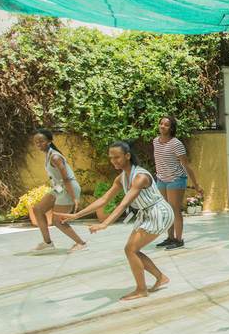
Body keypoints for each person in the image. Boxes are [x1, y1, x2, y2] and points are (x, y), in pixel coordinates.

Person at [56, 140, 173, 300]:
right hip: (146, 213)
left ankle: (141, 289)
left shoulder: (140, 177)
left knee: (131, 250)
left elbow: (124, 203)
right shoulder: (122, 178)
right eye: (111, 157)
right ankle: (161, 278)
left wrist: (105, 224)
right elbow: (104, 199)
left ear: (127, 156)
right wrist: (76, 215)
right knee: (132, 250)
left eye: (116, 157)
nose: (113, 161)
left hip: (159, 213)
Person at [29, 128, 87, 253]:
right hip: (59, 187)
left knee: (57, 221)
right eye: (36, 142)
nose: (38, 144)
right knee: (38, 210)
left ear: (49, 141)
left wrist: (73, 198)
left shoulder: (55, 156)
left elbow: (66, 178)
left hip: (68, 187)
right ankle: (47, 243)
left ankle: (81, 243)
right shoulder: (48, 155)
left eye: (41, 141)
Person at [152, 116, 203, 249]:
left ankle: (179, 240)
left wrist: (196, 184)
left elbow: (186, 165)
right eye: (161, 123)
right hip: (162, 179)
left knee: (174, 209)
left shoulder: (176, 144)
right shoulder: (155, 141)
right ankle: (170, 238)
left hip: (176, 179)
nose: (162, 126)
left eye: (166, 125)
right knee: (166, 210)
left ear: (172, 128)